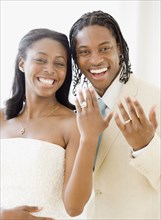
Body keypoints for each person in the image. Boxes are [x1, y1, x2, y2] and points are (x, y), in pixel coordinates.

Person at [0, 28, 113, 219]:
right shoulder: (1, 118)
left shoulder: (72, 124)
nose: (50, 70)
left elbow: (74, 207)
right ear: (22, 63)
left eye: (59, 63)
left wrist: (89, 139)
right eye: (40, 60)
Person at [69, 10, 160, 219]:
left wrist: (146, 147)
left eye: (104, 48)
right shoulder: (78, 106)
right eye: (84, 52)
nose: (95, 59)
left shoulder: (155, 99)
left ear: (118, 48)